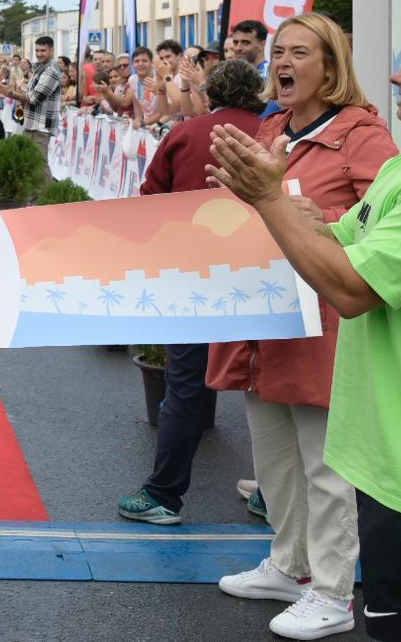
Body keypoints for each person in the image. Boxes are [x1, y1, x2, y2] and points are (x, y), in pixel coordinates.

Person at [206, 21, 401, 642]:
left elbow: (350, 288)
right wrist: (283, 203)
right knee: (394, 621)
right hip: (397, 458)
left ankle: (326, 589)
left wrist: (270, 203)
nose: (397, 75)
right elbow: (339, 237)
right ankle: (297, 568)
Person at [208, 13, 398, 640]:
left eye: (298, 53)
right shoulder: (270, 127)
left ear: (330, 66)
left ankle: (334, 592)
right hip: (263, 320)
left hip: (321, 322)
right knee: (275, 459)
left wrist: (324, 217)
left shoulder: (362, 136)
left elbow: (388, 223)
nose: (282, 63)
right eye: (278, 53)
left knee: (325, 464)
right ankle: (290, 566)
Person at [117, 59, 268, 529]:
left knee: (184, 387)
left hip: (196, 275)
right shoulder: (272, 131)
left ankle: (164, 493)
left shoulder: (186, 133)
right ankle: (273, 491)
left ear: (207, 93)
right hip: (266, 271)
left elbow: (150, 199)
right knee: (271, 389)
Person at [0, 36, 63, 181]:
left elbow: (33, 98)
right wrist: (19, 92)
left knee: (39, 165)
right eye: (37, 50)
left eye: (43, 50)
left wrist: (10, 93)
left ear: (52, 50)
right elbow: (28, 92)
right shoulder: (40, 68)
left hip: (41, 126)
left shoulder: (51, 71)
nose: (39, 54)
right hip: (31, 123)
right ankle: (35, 200)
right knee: (30, 164)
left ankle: (49, 201)